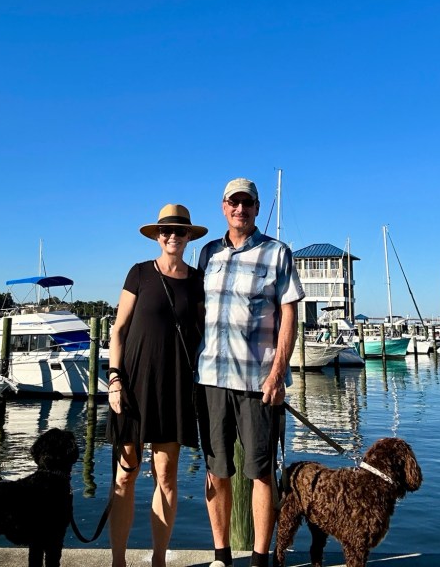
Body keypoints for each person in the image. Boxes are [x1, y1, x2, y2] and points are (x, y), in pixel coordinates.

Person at [196, 178, 305, 567]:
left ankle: (259, 558)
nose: (240, 208)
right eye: (233, 202)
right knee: (216, 470)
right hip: (210, 378)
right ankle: (221, 555)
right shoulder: (207, 253)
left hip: (258, 382)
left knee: (260, 472)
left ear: (257, 208)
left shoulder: (277, 253)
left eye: (247, 202)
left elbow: (289, 314)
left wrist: (278, 373)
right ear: (223, 206)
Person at [106, 203, 208, 567]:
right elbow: (118, 330)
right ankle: (118, 561)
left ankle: (159, 561)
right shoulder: (139, 273)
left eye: (179, 231)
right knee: (125, 474)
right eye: (166, 231)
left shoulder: (198, 280)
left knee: (166, 477)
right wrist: (114, 378)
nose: (172, 236)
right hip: (132, 384)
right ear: (157, 236)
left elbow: (206, 332)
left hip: (175, 387)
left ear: (188, 236)